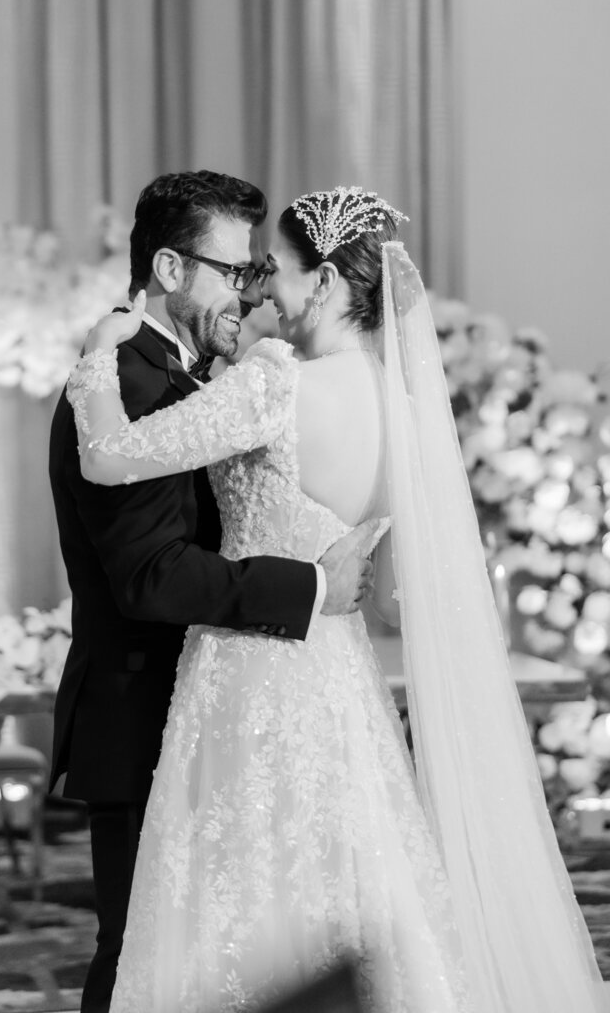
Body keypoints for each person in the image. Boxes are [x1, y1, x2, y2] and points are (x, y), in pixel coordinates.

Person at [68, 186, 606, 1013]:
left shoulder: (275, 382)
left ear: (321, 281)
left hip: (245, 673)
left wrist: (98, 352)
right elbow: (384, 598)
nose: (261, 291)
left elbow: (107, 456)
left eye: (274, 271)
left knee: (240, 911)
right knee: (344, 895)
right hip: (338, 680)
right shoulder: (398, 403)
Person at [48, 172, 378, 1013]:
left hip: (226, 710)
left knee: (234, 960)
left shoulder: (205, 377)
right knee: (140, 964)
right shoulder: (123, 381)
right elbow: (150, 574)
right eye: (233, 271)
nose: (250, 291)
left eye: (257, 270)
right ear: (169, 268)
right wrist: (309, 586)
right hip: (143, 712)